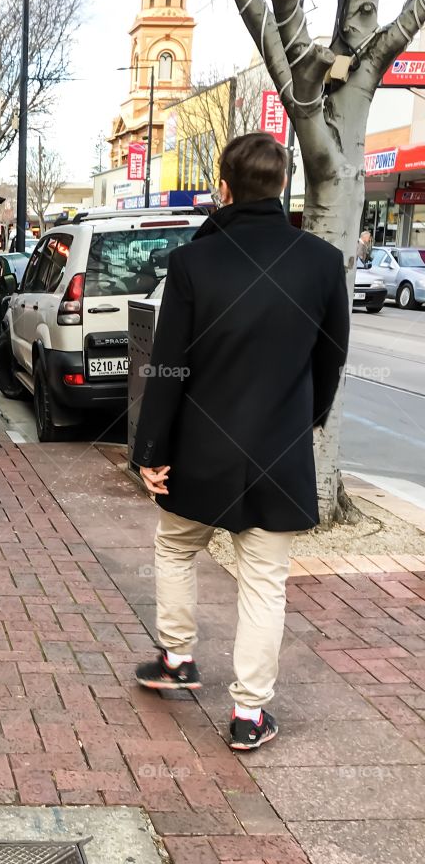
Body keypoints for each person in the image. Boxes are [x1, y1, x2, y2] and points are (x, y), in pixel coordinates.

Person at [131, 131, 349, 751]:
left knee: (175, 547)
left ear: (223, 188)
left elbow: (168, 364)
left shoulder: (195, 261)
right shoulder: (321, 262)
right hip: (279, 451)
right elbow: (331, 357)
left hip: (202, 451)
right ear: (281, 186)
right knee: (265, 583)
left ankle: (177, 659)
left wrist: (151, 452)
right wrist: (309, 418)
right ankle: (249, 715)